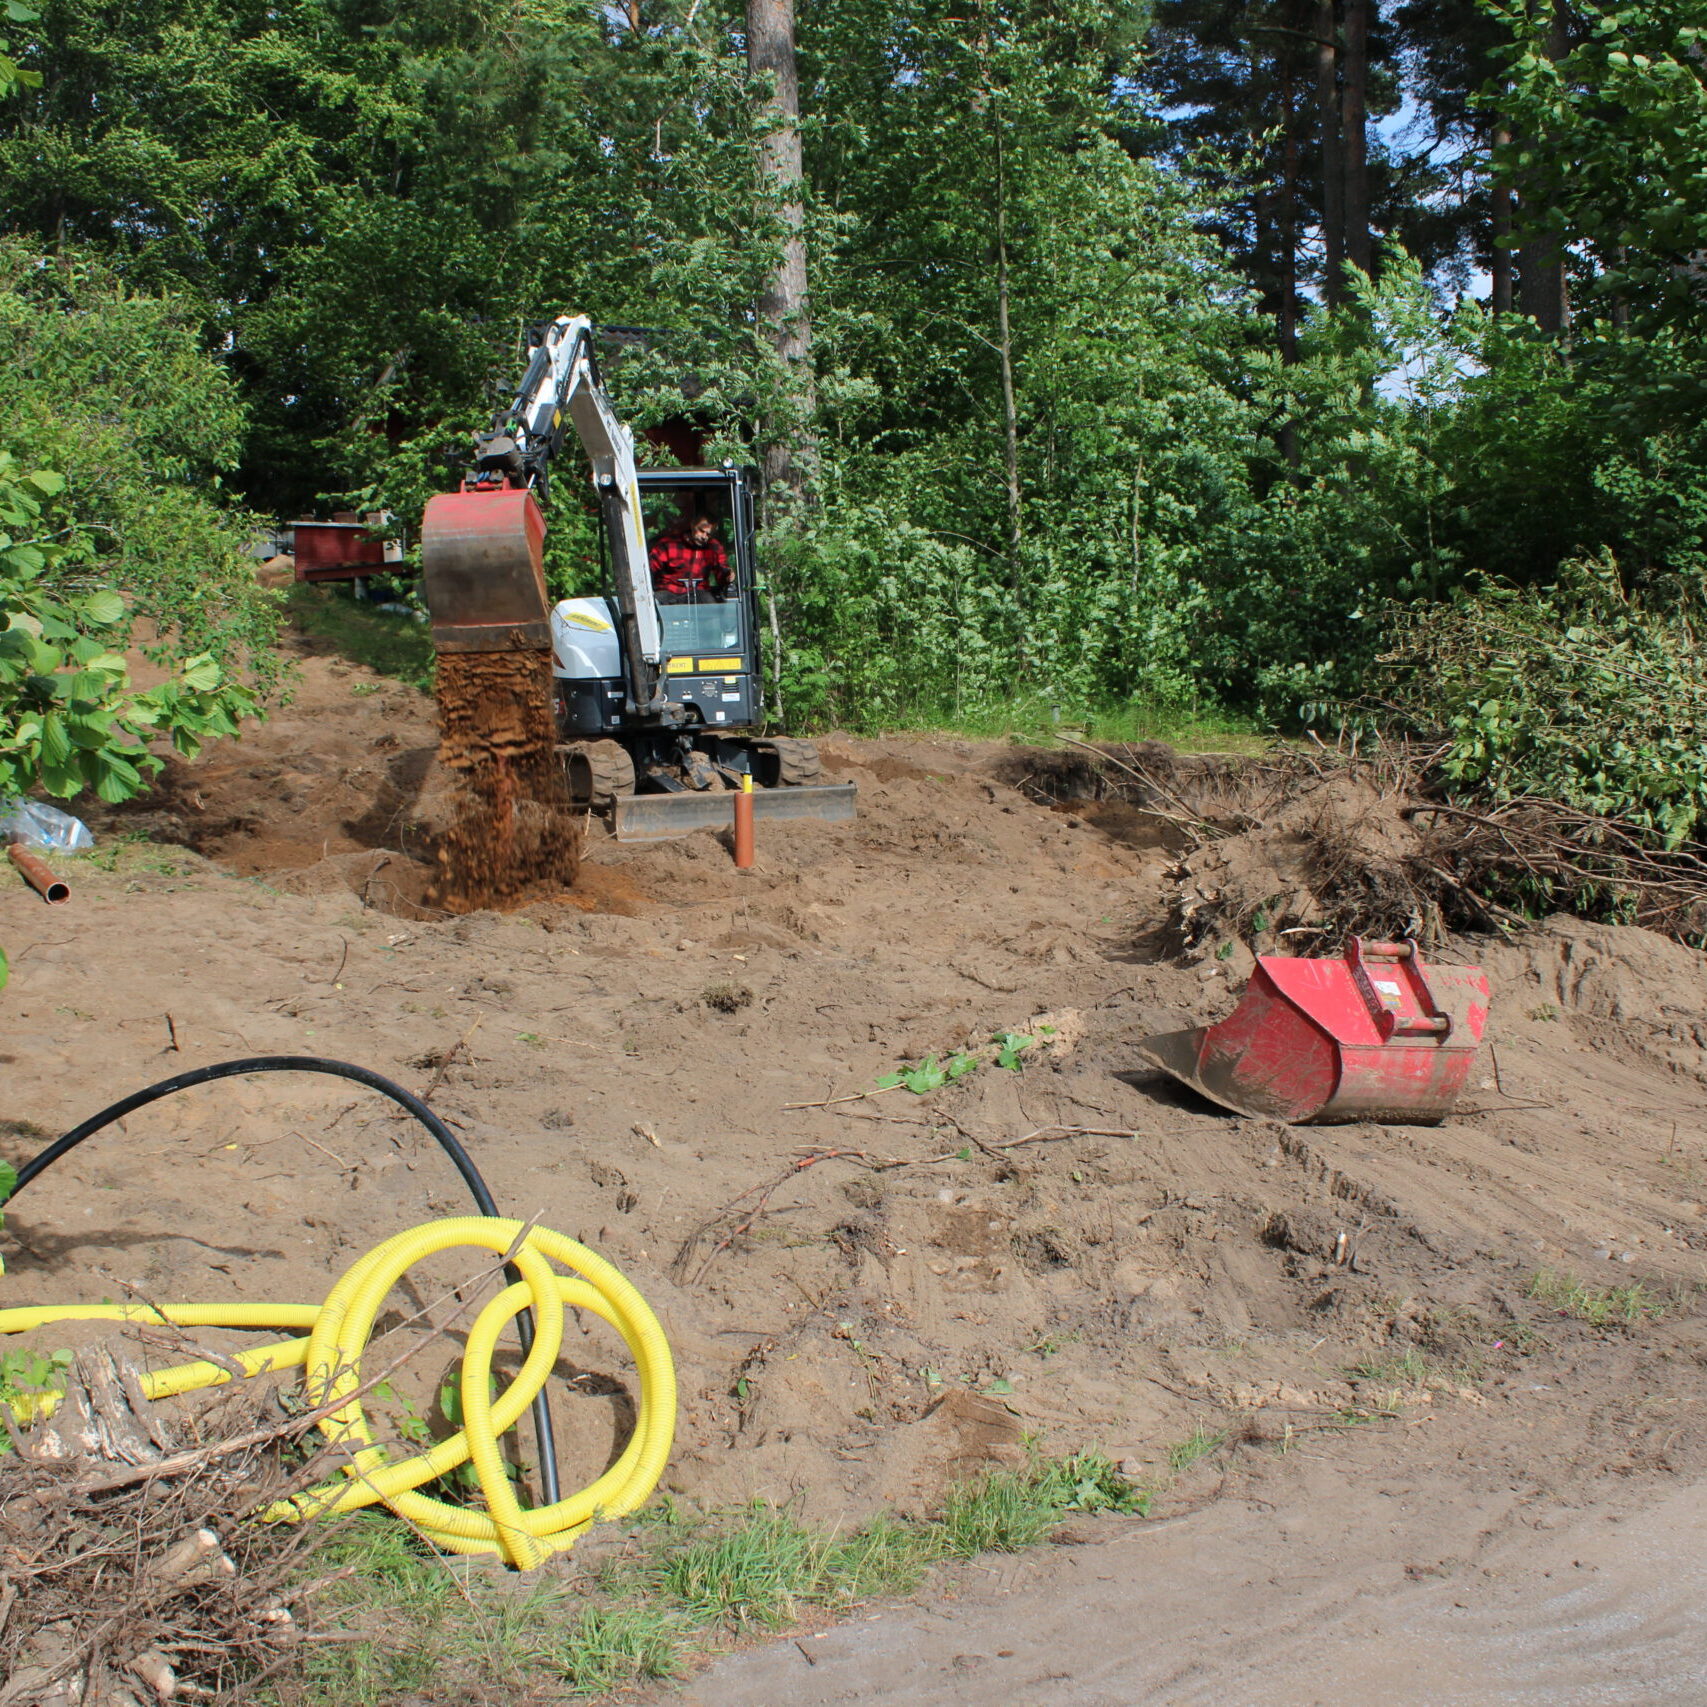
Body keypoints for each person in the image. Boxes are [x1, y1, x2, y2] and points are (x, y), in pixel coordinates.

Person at [648, 512, 730, 601]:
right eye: (701, 531)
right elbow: (650, 568)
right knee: (653, 602)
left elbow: (722, 571)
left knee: (710, 605)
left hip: (699, 592)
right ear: (692, 525)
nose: (704, 537)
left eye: (708, 534)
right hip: (669, 590)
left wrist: (728, 576)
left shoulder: (714, 547)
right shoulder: (669, 544)